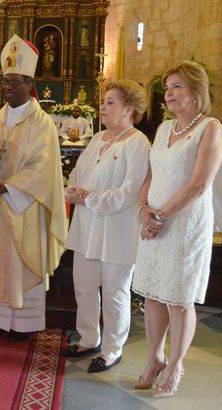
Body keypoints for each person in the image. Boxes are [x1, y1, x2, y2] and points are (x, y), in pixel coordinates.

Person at [132, 61, 222, 397]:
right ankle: (154, 357)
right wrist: (144, 210)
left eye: (177, 87)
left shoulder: (211, 128)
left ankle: (174, 364)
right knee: (154, 293)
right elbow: (150, 176)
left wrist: (160, 215)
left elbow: (199, 184)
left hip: (185, 224)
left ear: (196, 90)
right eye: (168, 87)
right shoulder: (162, 129)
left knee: (179, 298)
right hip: (154, 222)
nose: (169, 93)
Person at [0, 35, 68, 342]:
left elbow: (42, 170)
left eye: (14, 82)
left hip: (23, 208)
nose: (7, 88)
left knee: (17, 261)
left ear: (28, 84)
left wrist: (6, 188)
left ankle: (21, 325)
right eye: (4, 81)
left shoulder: (43, 124)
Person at [63, 80, 150, 373]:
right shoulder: (99, 137)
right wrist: (73, 189)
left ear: (129, 109)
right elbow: (77, 171)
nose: (103, 106)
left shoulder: (138, 142)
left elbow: (130, 191)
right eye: (104, 101)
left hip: (117, 228)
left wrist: (91, 199)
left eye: (111, 102)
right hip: (87, 227)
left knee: (115, 292)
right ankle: (89, 337)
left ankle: (113, 349)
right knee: (84, 287)